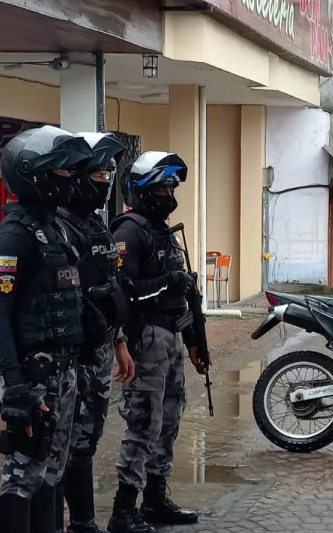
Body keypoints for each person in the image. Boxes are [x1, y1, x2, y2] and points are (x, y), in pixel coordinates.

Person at [0, 126, 94, 532]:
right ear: (32, 174)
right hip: (32, 375)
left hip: (63, 372)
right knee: (22, 475)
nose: (68, 180)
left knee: (52, 471)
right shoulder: (14, 236)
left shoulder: (58, 228)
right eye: (59, 172)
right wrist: (14, 386)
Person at [107, 151, 209, 533]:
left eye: (171, 187)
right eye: (162, 187)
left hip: (170, 337)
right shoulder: (129, 232)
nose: (169, 194)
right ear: (142, 190)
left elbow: (182, 295)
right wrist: (167, 283)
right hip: (144, 338)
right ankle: (123, 509)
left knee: (169, 418)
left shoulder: (161, 232)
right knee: (144, 422)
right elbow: (121, 292)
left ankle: (154, 497)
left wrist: (194, 341)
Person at [63, 132, 137, 533]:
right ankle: (80, 522)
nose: (105, 181)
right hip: (70, 356)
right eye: (97, 174)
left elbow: (110, 288)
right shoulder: (57, 228)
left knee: (87, 440)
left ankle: (83, 521)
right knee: (66, 444)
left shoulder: (96, 226)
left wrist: (120, 342)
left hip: (102, 349)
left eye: (108, 174)